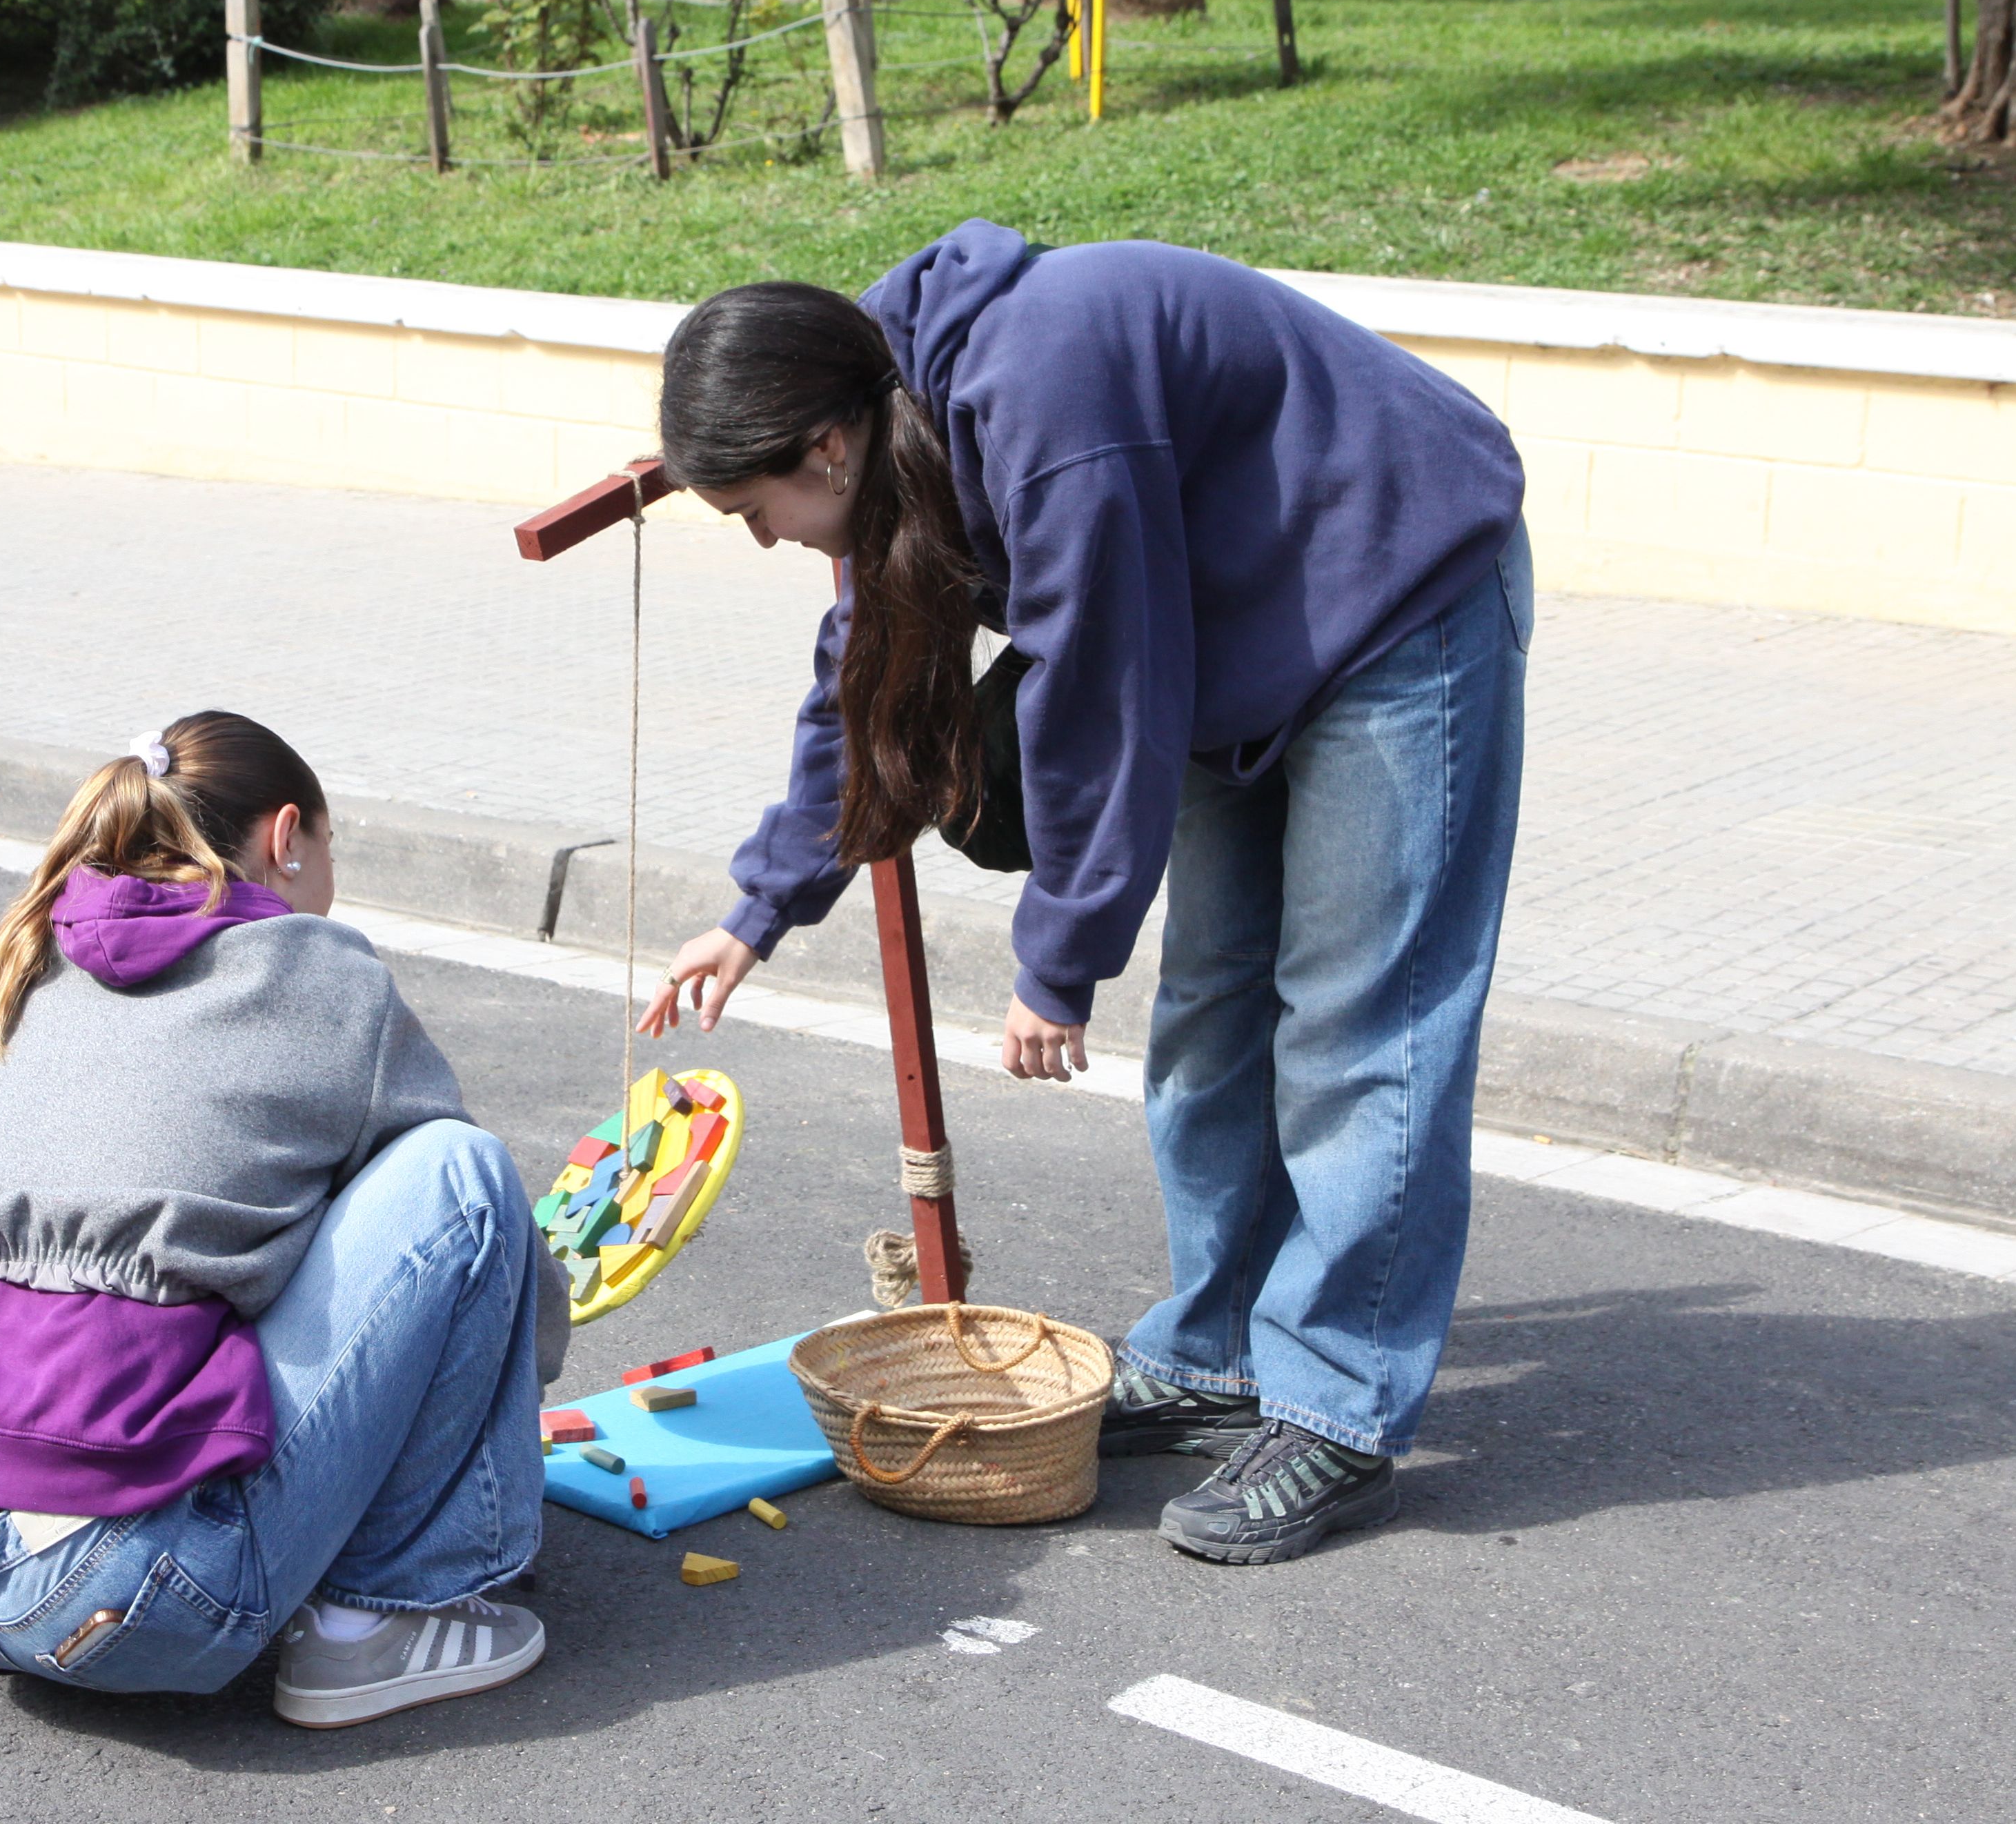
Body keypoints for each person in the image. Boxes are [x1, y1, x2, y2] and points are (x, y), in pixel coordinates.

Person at [640, 220, 1529, 1567]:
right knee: (1215, 1010)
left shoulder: (1041, 393)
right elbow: (863, 674)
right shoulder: (881, 412)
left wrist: (1059, 956)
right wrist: (755, 910)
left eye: (752, 511)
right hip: (1235, 627)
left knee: (1360, 1025)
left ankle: (1338, 1409)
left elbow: (1102, 675)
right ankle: (1220, 1352)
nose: (765, 540)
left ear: (822, 450)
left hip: (1398, 591)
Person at [0, 711, 562, 1725]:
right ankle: (371, 1629)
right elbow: (468, 1242)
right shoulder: (321, 973)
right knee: (459, 1172)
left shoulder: (36, 954)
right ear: (287, 836)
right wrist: (534, 1335)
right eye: (330, 847)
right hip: (130, 1597)